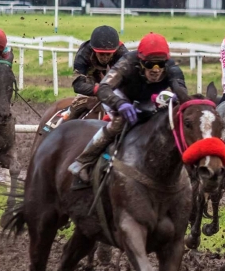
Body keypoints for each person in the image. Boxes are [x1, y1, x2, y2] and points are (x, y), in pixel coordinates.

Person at [67, 32, 187, 183]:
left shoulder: (172, 68)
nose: (156, 70)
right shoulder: (127, 63)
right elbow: (104, 88)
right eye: (150, 64)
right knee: (120, 121)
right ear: (141, 62)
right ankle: (83, 161)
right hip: (119, 95)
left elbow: (182, 94)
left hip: (146, 97)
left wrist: (179, 99)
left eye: (160, 64)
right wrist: (119, 103)